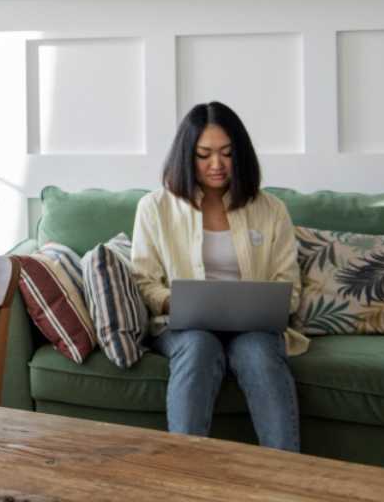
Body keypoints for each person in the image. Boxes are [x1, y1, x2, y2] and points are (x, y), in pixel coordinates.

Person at [131, 101, 307, 452]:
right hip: (183, 327)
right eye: (204, 154)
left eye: (227, 153)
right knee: (198, 346)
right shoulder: (155, 208)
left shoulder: (271, 210)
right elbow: (143, 281)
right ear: (186, 155)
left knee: (258, 352)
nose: (217, 165)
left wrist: (265, 305)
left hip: (253, 329)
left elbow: (289, 285)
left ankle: (287, 477)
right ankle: (185, 479)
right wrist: (174, 300)